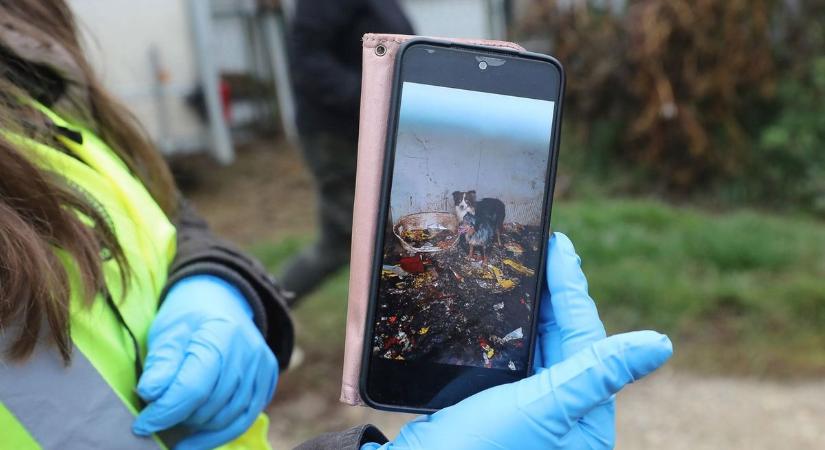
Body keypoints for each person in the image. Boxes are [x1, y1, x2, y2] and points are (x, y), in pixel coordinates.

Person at [0, 1, 672, 449]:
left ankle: (276, 298)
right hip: (346, 136)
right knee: (345, 240)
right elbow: (312, 68)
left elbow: (158, 210)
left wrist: (215, 281)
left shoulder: (28, 64)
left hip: (383, 132)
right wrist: (383, 103)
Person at [281, 0, 415, 304]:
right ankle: (264, 312)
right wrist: (369, 93)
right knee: (371, 239)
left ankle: (265, 310)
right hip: (336, 137)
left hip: (372, 129)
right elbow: (307, 61)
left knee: (345, 243)